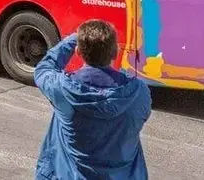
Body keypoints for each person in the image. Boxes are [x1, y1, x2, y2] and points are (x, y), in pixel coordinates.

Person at [34, 19, 151, 180]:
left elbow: (43, 69)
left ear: (78, 52)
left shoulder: (62, 89)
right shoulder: (139, 93)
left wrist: (75, 38)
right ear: (115, 53)